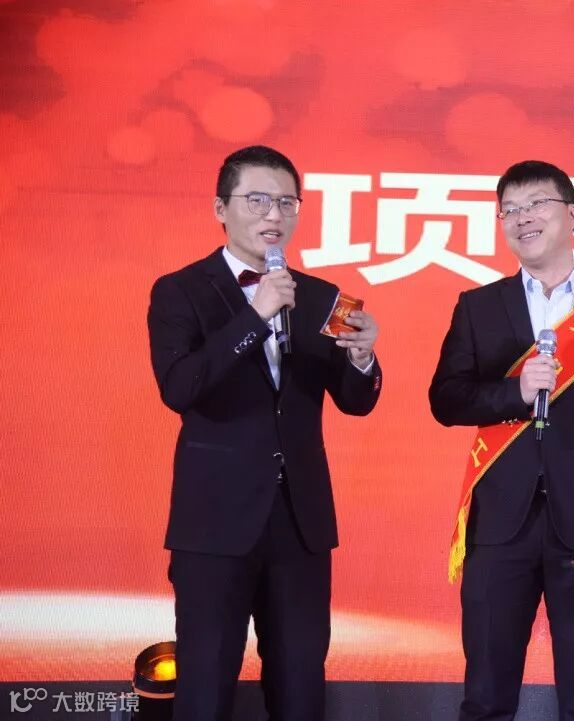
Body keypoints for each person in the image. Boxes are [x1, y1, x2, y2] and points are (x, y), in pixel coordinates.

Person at [147, 145, 382, 721]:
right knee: (205, 684)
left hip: (300, 523)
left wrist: (362, 359)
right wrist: (255, 316)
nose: (273, 214)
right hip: (214, 523)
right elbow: (181, 386)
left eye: (286, 202)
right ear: (220, 209)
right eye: (257, 200)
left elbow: (356, 403)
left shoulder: (322, 296)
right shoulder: (180, 290)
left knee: (300, 684)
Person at [429, 160, 574, 721]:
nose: (521, 218)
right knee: (486, 691)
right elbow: (446, 400)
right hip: (498, 525)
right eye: (509, 209)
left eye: (536, 204)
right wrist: (514, 392)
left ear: (572, 215)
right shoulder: (478, 306)